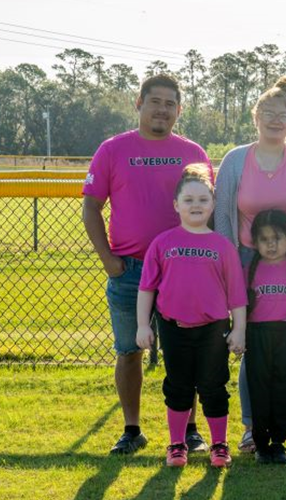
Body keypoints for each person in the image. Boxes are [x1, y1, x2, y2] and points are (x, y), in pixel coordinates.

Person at [82, 74, 213, 455]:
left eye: (170, 103)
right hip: (129, 269)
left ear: (179, 110)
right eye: (154, 101)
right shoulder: (113, 149)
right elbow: (91, 206)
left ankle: (189, 430)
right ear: (138, 104)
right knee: (128, 349)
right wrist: (108, 260)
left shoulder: (193, 152)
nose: (162, 109)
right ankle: (131, 428)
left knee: (184, 350)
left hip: (181, 269)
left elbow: (206, 206)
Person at [215, 76, 286, 455]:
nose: (275, 120)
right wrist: (230, 263)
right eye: (268, 113)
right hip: (250, 262)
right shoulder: (235, 160)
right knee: (253, 344)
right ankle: (252, 426)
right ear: (255, 116)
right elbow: (225, 217)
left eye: (283, 114)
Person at [135, 165, 246, 468]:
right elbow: (147, 288)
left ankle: (219, 445)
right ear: (176, 205)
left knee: (213, 385)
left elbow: (237, 295)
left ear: (213, 204)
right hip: (173, 328)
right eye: (188, 200)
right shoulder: (163, 243)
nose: (196, 206)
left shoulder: (223, 246)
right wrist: (143, 325)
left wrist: (239, 330)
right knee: (178, 385)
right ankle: (176, 444)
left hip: (213, 328)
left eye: (203, 200)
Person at [244, 209, 286, 465]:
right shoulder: (249, 269)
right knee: (259, 388)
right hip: (256, 334)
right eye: (264, 238)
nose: (270, 244)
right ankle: (260, 443)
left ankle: (279, 442)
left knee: (284, 386)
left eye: (277, 238)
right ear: (254, 242)